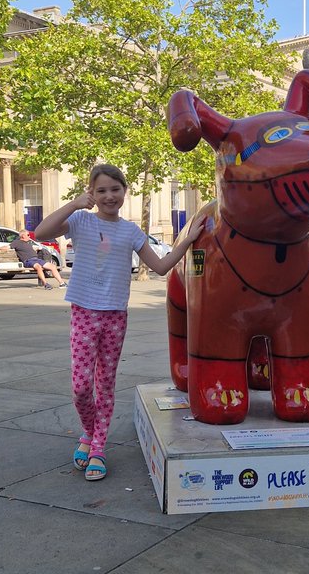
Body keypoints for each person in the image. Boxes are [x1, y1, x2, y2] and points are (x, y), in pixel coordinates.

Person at [34, 163, 204, 482]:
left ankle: (98, 445)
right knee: (81, 386)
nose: (109, 196)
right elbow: (41, 233)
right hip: (84, 312)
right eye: (101, 190)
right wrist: (73, 203)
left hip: (115, 315)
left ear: (125, 191)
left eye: (115, 189)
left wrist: (186, 241)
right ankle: (88, 430)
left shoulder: (130, 231)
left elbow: (162, 265)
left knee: (106, 383)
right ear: (92, 193)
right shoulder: (80, 220)